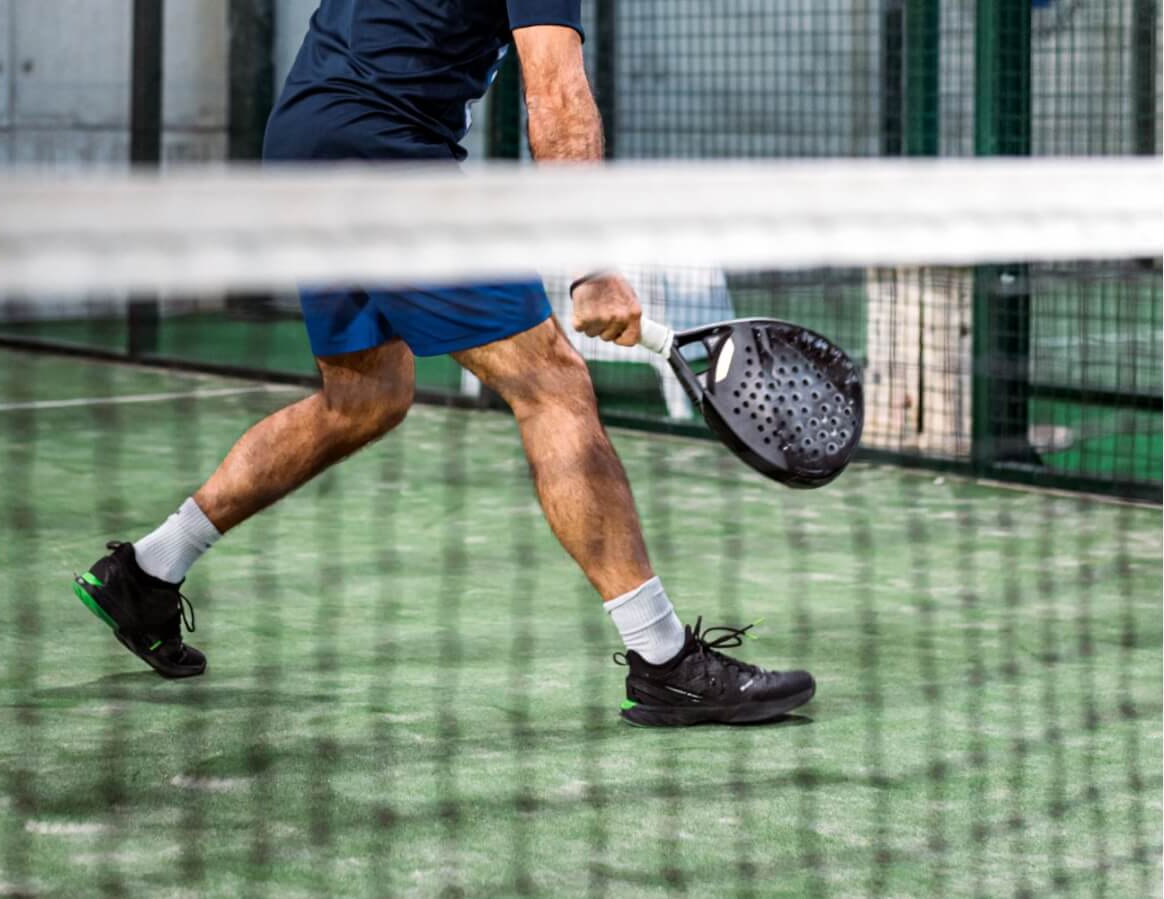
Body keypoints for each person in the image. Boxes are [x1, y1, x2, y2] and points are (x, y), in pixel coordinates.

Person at [72, 0, 814, 726]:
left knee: (362, 398)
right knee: (552, 383)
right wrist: (592, 263)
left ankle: (148, 570)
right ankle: (665, 662)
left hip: (304, 139)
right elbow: (555, 89)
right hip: (384, 157)